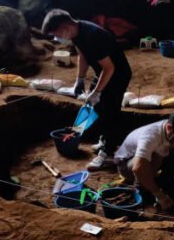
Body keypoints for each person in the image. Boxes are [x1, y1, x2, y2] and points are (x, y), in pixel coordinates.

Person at [42, 9, 133, 171]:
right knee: (96, 107)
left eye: (56, 34)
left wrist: (97, 92)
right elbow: (82, 56)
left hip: (117, 74)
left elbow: (109, 68)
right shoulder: (76, 33)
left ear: (65, 27)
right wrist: (80, 80)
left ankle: (108, 154)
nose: (56, 38)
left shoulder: (93, 36)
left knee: (110, 111)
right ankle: (104, 141)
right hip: (103, 72)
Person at [113, 110, 174, 211]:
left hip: (147, 159)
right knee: (156, 156)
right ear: (169, 127)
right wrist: (159, 195)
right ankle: (141, 188)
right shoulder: (150, 137)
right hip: (126, 164)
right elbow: (138, 168)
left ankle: (165, 179)